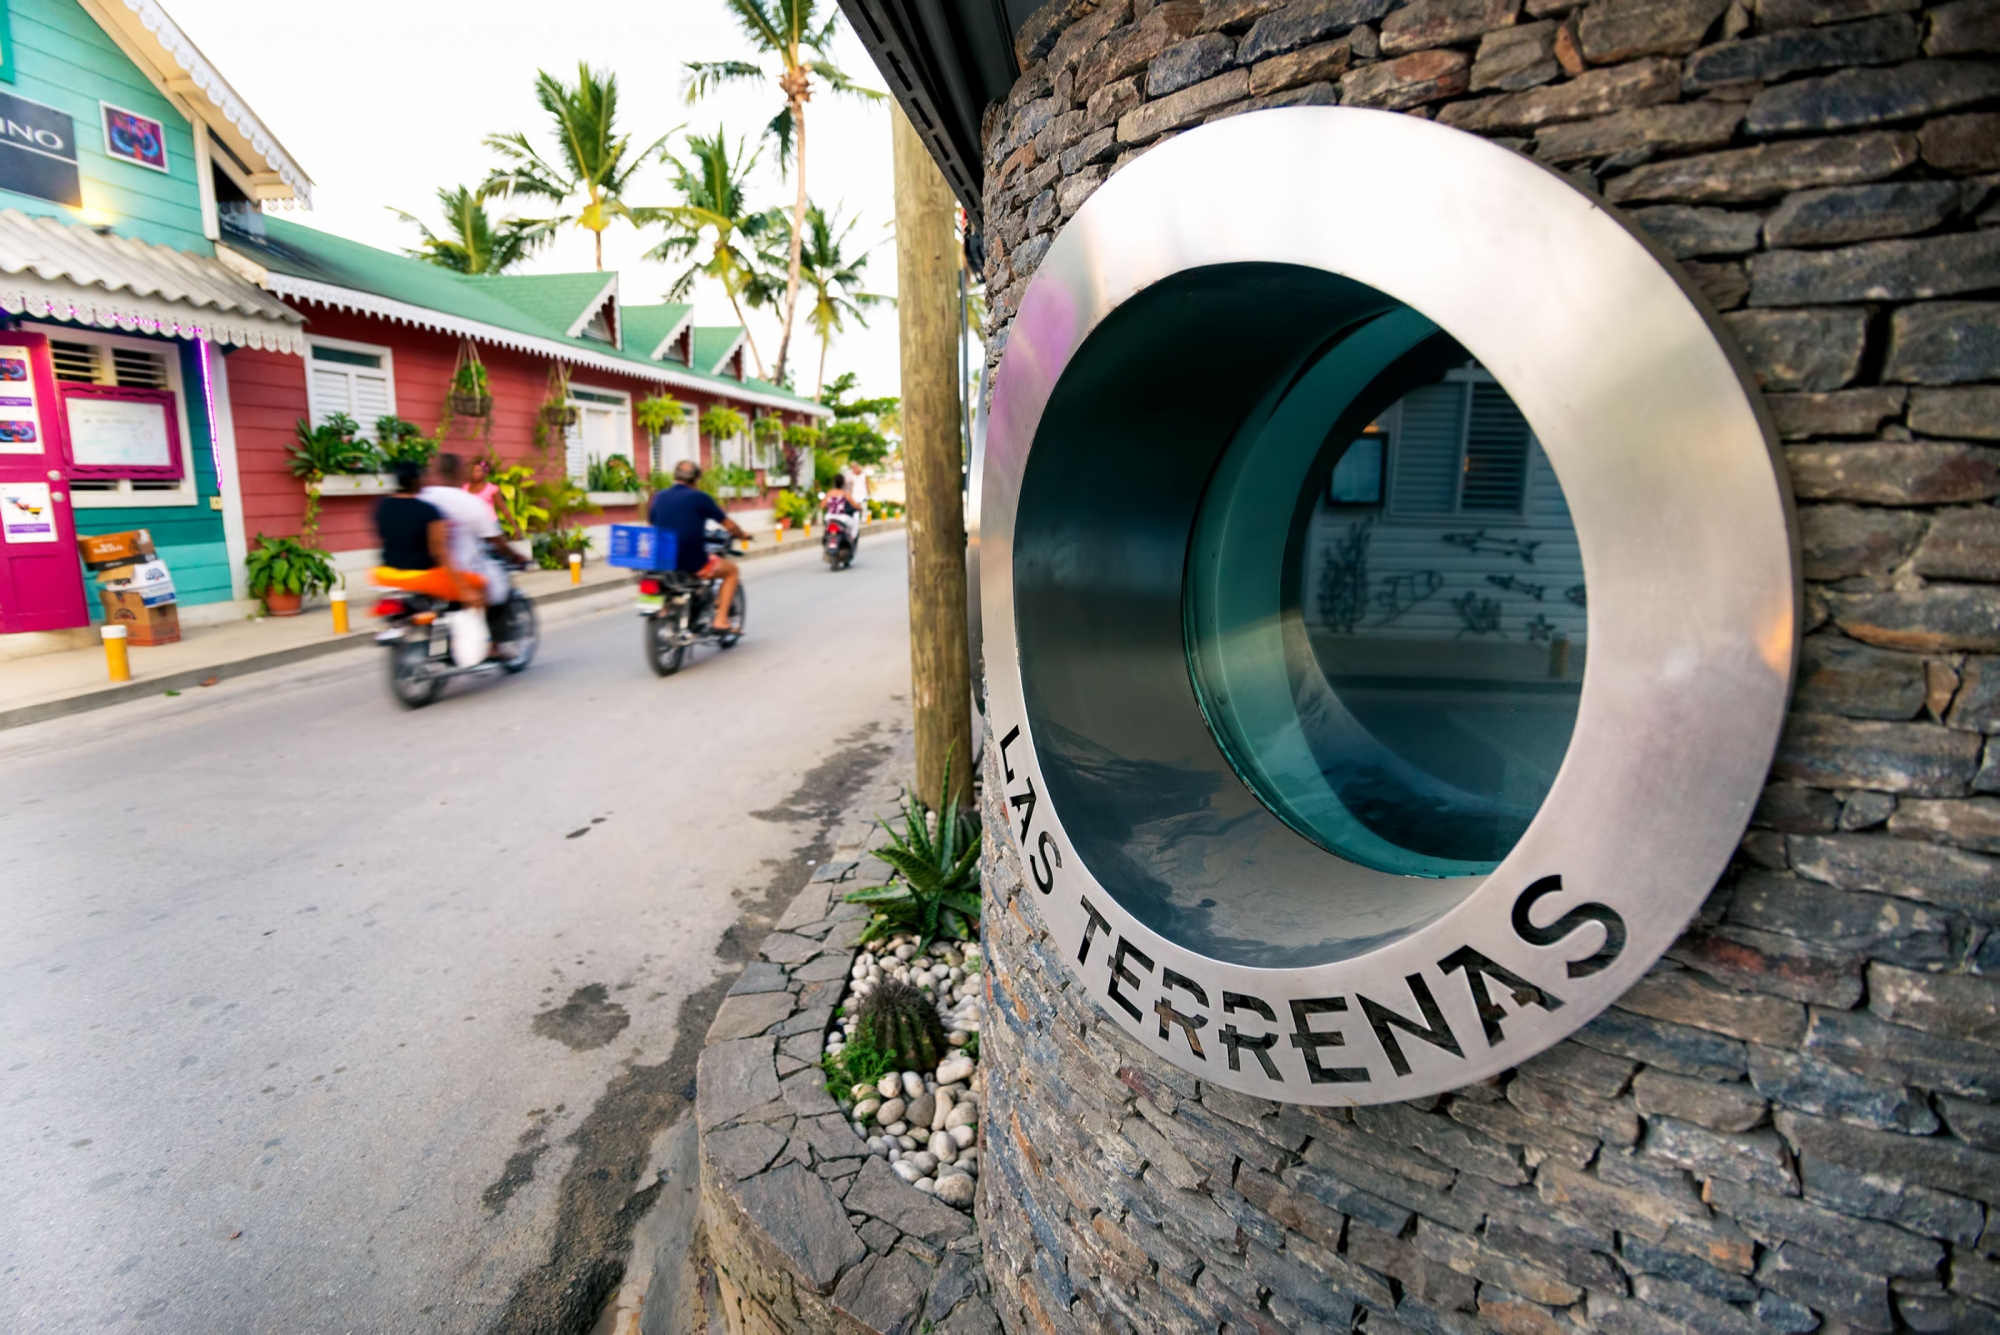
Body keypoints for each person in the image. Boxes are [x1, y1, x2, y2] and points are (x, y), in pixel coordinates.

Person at [648, 460, 749, 632]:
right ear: (696, 480)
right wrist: (743, 534)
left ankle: (666, 609)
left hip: (662, 561)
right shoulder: (700, 498)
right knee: (732, 571)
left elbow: (652, 524)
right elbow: (729, 525)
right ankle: (721, 620)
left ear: (675, 476)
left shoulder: (659, 497)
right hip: (691, 562)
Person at [421, 453, 510, 614]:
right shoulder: (470, 501)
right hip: (464, 570)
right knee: (496, 589)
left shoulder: (423, 497)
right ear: (460, 473)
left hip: (428, 570)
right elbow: (496, 540)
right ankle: (488, 635)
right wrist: (514, 555)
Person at [372, 460, 473, 602]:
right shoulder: (428, 510)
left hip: (387, 573)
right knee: (478, 584)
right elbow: (439, 552)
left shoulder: (381, 505)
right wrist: (463, 588)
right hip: (421, 575)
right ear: (416, 481)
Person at [824, 474, 862, 548]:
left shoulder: (829, 493)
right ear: (843, 483)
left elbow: (822, 505)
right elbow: (854, 504)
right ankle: (852, 537)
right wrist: (859, 508)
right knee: (854, 522)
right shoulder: (845, 493)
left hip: (829, 517)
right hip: (842, 517)